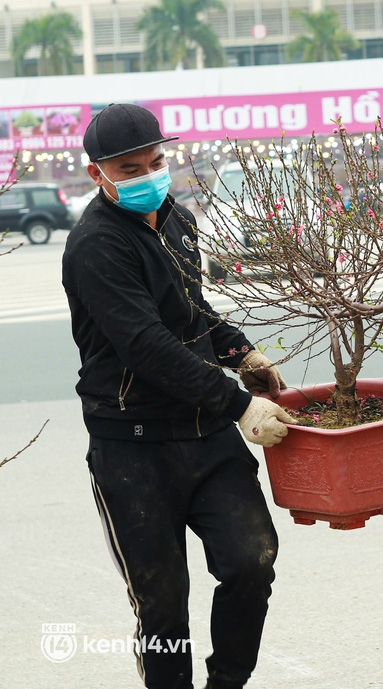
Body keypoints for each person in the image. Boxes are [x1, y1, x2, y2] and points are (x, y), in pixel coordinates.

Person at [62, 103, 294, 689]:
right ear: (99, 174)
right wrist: (239, 406)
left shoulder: (176, 222)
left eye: (156, 162)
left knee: (251, 562)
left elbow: (191, 316)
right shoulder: (95, 246)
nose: (148, 177)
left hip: (205, 436)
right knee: (163, 609)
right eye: (130, 168)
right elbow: (146, 344)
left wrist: (242, 355)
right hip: (132, 448)